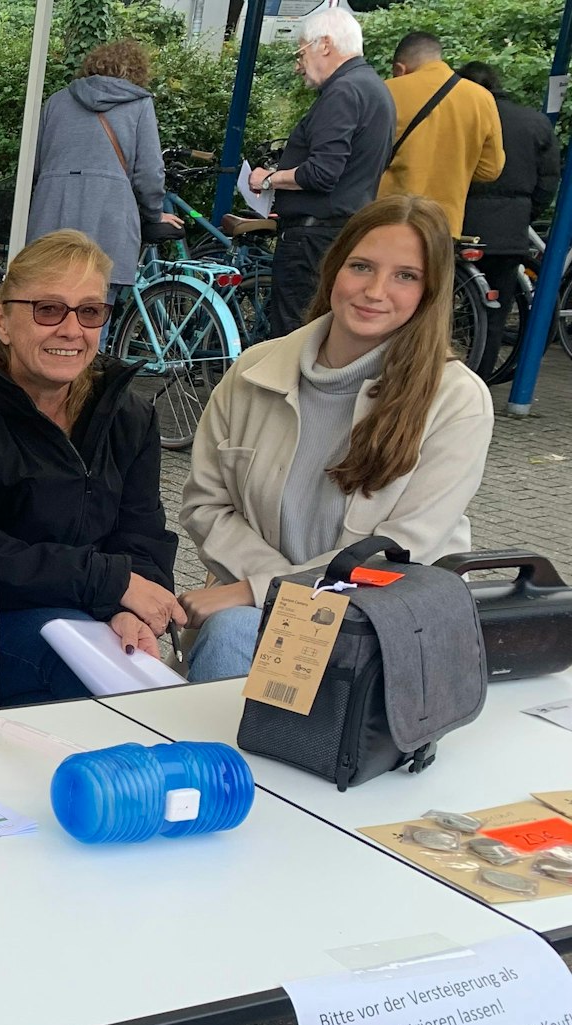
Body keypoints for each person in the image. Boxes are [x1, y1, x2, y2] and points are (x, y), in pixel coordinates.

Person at [178, 195, 494, 681]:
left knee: (234, 632)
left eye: (405, 276)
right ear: (333, 270)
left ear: (430, 290)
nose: (375, 291)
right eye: (361, 266)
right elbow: (206, 505)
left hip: (373, 625)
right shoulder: (253, 372)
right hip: (253, 615)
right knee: (236, 634)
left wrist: (259, 591)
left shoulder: (455, 400)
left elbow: (403, 550)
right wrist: (270, 595)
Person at [0, 231, 182, 705]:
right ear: (3, 320)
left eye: (89, 312)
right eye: (48, 309)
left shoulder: (127, 414)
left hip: (91, 619)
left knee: (127, 667)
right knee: (89, 673)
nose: (71, 329)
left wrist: (133, 613)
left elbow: (143, 534)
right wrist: (113, 584)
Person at [251, 6, 395, 338]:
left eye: (301, 51)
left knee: (293, 338)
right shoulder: (375, 89)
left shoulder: (343, 91)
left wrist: (268, 179)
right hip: (342, 230)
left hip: (311, 238)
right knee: (323, 336)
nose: (297, 63)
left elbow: (322, 172)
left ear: (325, 44)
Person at [27, 41, 182, 296]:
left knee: (45, 306)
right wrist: (155, 214)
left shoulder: (56, 102)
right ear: (137, 72)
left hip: (51, 216)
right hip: (108, 221)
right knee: (94, 309)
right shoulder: (139, 105)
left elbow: (34, 167)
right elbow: (149, 174)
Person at [460, 60, 561, 376]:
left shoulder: (458, 118)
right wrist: (524, 214)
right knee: (495, 314)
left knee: (435, 306)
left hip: (457, 228)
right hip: (507, 234)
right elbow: (548, 180)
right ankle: (480, 385)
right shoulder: (534, 122)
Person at [380, 32, 503, 240]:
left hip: (387, 216)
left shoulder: (386, 91)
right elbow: (491, 170)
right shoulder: (481, 98)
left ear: (400, 69)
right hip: (444, 225)